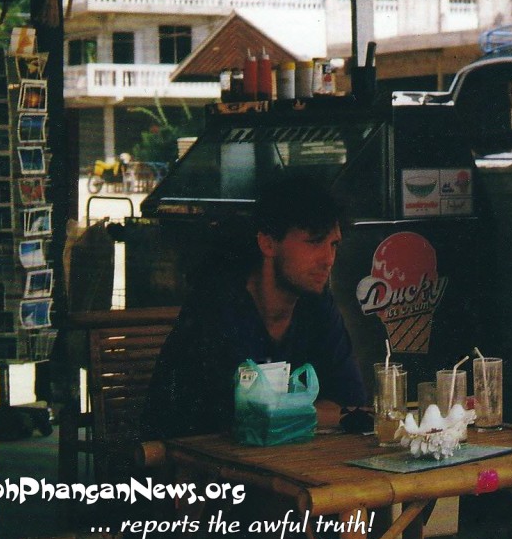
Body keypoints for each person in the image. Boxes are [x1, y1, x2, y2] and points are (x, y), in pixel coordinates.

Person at [141, 178, 367, 440]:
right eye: (315, 242)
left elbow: (353, 402)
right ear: (268, 244)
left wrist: (293, 412)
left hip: (284, 461)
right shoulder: (219, 305)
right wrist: (327, 413)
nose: (328, 260)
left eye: (334, 245)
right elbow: (244, 416)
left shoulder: (316, 305)